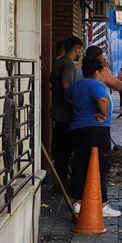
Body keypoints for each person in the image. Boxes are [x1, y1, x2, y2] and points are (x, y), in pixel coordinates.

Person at [65, 57, 121, 218]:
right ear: (97, 72)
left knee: (80, 165)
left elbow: (66, 93)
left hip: (76, 129)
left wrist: (80, 106)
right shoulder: (96, 85)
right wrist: (103, 114)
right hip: (96, 130)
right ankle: (102, 204)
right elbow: (103, 100)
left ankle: (78, 202)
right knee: (100, 166)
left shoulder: (76, 86)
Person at [49, 36, 84, 191]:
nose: (80, 53)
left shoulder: (57, 62)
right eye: (80, 50)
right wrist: (76, 103)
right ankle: (62, 182)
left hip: (56, 110)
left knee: (60, 148)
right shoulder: (69, 65)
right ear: (75, 48)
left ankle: (60, 179)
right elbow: (66, 85)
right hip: (65, 113)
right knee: (65, 149)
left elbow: (51, 80)